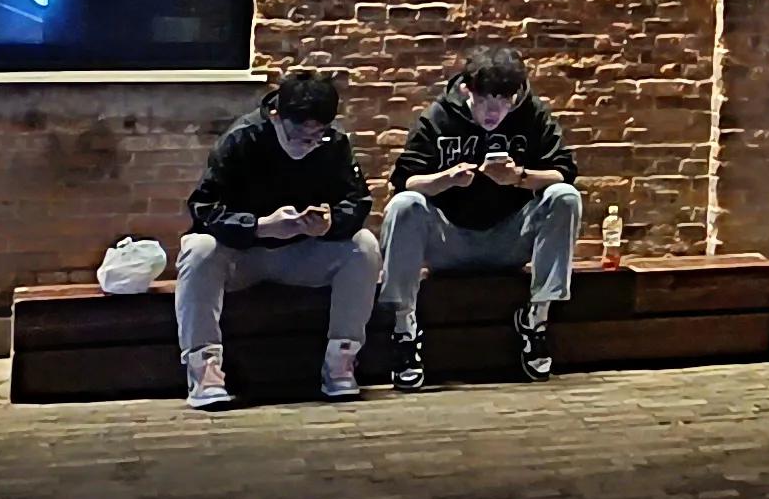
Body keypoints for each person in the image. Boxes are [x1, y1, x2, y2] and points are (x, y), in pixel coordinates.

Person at [173, 68, 382, 410]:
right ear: (276, 116)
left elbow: (357, 202)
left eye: (318, 136)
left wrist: (331, 222)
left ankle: (341, 360)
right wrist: (258, 226)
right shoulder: (242, 138)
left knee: (364, 247)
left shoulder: (334, 144)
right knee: (198, 249)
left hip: (302, 253)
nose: (308, 144)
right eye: (299, 134)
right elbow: (204, 207)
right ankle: (204, 367)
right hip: (243, 256)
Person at [380, 42, 583, 386]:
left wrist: (518, 178)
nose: (494, 112)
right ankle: (404, 328)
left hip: (509, 239)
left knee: (565, 196)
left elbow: (564, 171)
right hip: (449, 242)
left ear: (516, 97)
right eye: (487, 101)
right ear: (466, 89)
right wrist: (446, 180)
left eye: (504, 102)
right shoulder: (439, 116)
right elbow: (405, 181)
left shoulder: (532, 115)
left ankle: (537, 319)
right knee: (404, 205)